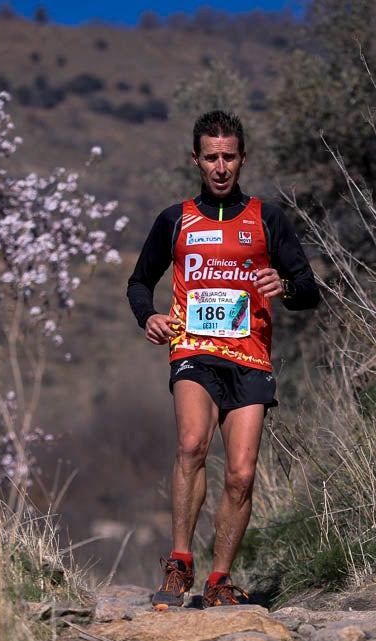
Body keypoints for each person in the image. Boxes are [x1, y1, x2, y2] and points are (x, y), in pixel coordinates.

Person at [126, 109, 320, 609]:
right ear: (195, 159)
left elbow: (308, 289)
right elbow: (139, 281)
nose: (219, 166)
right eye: (210, 157)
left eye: (228, 157)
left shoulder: (267, 217)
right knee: (191, 443)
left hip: (250, 357)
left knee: (240, 473)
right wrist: (147, 316)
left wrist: (286, 287)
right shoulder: (175, 220)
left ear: (242, 159)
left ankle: (220, 580)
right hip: (194, 350)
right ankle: (179, 562)